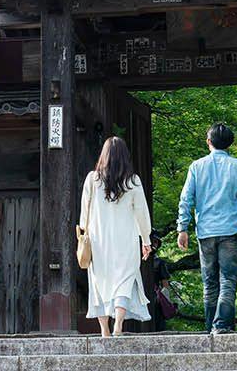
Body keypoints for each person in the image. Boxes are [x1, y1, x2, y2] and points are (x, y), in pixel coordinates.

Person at [176, 123, 237, 334]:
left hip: (206, 232)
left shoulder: (196, 166)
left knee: (209, 282)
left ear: (208, 142)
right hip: (229, 232)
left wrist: (182, 228)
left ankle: (210, 326)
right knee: (228, 280)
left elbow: (186, 199)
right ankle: (221, 326)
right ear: (230, 143)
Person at [80, 136, 153, 337]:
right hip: (126, 240)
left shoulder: (92, 179)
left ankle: (104, 329)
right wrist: (145, 240)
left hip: (99, 240)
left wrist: (84, 234)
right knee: (124, 282)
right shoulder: (133, 181)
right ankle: (118, 324)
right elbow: (142, 213)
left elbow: (84, 212)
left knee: (99, 284)